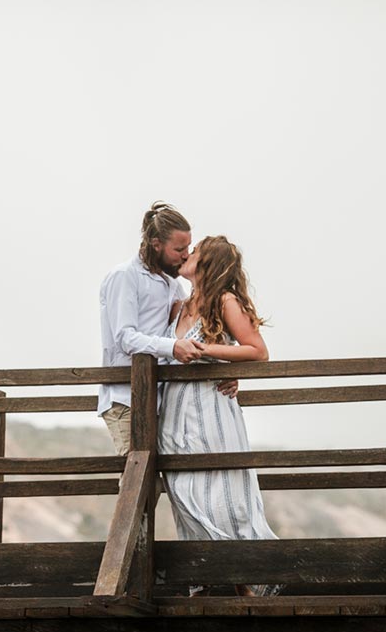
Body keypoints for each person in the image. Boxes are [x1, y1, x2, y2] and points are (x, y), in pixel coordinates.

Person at [158, 235, 283, 598]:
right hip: (175, 413)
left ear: (208, 261)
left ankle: (246, 576)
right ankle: (211, 577)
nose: (188, 254)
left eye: (194, 251)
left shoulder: (225, 300)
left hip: (211, 409)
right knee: (183, 491)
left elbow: (258, 351)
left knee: (223, 493)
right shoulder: (179, 306)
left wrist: (205, 351)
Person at [97, 202, 236, 456]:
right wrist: (172, 348)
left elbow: (194, 327)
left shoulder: (171, 284)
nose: (185, 255)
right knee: (136, 477)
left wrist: (227, 369)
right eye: (179, 249)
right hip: (125, 398)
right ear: (155, 243)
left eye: (188, 249)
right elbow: (125, 339)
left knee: (153, 480)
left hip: (158, 398)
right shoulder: (125, 276)